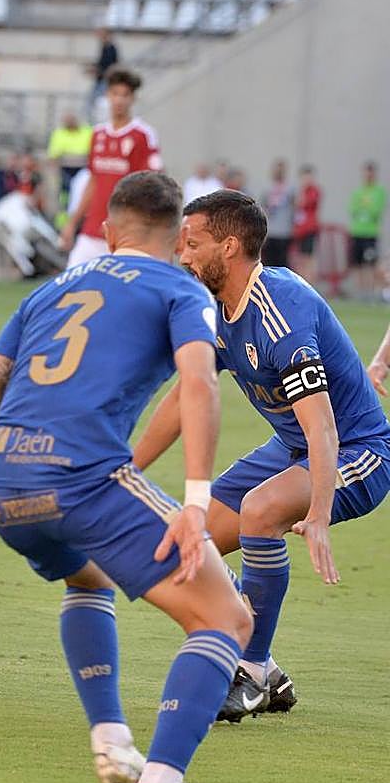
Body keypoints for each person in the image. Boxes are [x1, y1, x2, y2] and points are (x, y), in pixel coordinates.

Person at [0, 171, 250, 783]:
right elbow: (200, 385)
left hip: (6, 488)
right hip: (82, 478)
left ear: (104, 231)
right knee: (225, 617)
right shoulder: (180, 287)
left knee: (88, 577)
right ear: (180, 236)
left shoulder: (47, 291)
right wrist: (197, 503)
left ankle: (112, 742)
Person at [134, 189, 390, 721]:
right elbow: (186, 395)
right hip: (292, 447)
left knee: (259, 511)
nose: (183, 255)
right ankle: (267, 671)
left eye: (194, 243)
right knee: (186, 544)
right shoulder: (212, 308)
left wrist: (318, 512)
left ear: (228, 247)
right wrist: (129, 467)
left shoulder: (281, 312)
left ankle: (247, 673)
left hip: (360, 451)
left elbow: (323, 427)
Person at [59, 66, 161, 268]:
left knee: (122, 295)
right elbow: (93, 182)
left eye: (125, 95)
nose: (119, 100)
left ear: (133, 98)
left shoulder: (142, 135)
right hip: (92, 229)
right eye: (115, 94)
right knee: (70, 284)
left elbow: (153, 185)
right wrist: (72, 223)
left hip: (126, 233)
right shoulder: (97, 134)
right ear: (107, 95)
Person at [348, 161, 386, 295]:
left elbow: (375, 210)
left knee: (371, 263)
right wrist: (364, 207)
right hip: (357, 231)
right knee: (358, 264)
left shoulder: (379, 191)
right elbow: (353, 209)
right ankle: (360, 292)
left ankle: (371, 292)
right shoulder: (358, 191)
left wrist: (365, 207)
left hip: (370, 233)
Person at [46, 112, 93, 207]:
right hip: (65, 169)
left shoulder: (87, 131)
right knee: (66, 193)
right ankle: (64, 215)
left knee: (82, 192)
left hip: (84, 169)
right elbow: (53, 155)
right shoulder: (59, 133)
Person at [260, 159, 295, 268]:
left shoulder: (290, 188)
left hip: (284, 230)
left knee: (282, 261)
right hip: (270, 231)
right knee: (268, 262)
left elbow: (295, 206)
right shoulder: (266, 187)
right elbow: (262, 206)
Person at [293, 165, 321, 281]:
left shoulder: (314, 191)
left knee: (309, 258)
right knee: (300, 258)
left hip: (310, 229)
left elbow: (303, 203)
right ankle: (302, 280)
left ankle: (310, 282)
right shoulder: (300, 190)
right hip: (300, 230)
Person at [86, 27, 119, 121]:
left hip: (105, 81)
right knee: (93, 103)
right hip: (101, 79)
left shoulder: (111, 48)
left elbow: (112, 65)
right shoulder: (104, 47)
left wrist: (101, 72)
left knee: (99, 103)